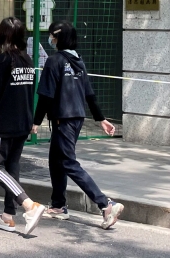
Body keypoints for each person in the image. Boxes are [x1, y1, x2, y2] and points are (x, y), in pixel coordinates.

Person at [33, 21, 123, 229]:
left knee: (67, 162)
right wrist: (100, 119)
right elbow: (89, 95)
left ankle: (106, 204)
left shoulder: (54, 61)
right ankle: (58, 206)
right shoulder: (78, 61)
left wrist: (35, 122)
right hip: (77, 118)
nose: (50, 40)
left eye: (51, 36)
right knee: (56, 161)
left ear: (57, 38)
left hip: (62, 119)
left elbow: (45, 96)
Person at [0, 17, 46, 234]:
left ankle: (29, 205)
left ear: (3, 35)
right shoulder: (27, 60)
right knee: (12, 168)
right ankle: (7, 216)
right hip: (22, 124)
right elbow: (28, 93)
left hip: (4, 125)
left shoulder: (3, 60)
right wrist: (32, 120)